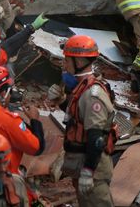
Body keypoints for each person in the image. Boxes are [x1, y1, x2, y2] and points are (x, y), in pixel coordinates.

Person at [58, 34, 115, 207]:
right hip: (81, 164)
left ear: (79, 62)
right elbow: (77, 120)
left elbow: (96, 139)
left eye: (67, 60)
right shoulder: (81, 89)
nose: (64, 64)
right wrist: (61, 102)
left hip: (93, 171)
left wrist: (88, 171)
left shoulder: (92, 95)